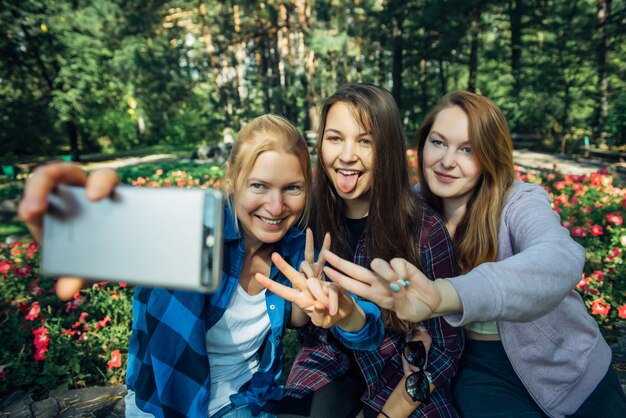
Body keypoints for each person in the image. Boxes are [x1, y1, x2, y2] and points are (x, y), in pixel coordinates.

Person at [18, 114, 384, 418]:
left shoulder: (296, 249)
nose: (275, 207)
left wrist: (340, 309)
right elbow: (130, 240)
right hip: (165, 409)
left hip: (245, 404)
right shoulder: (187, 234)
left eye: (292, 188)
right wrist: (82, 226)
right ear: (233, 177)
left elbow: (366, 331)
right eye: (259, 185)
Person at [323, 91, 626, 418]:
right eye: (438, 142)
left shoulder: (517, 203)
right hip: (476, 369)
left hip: (567, 367)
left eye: (467, 149)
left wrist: (443, 294)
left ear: (489, 156)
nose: (447, 160)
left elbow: (559, 258)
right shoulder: (410, 214)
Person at [257, 84, 463, 418]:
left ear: (388, 149)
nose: (347, 155)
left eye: (365, 141)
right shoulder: (306, 213)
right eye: (335, 138)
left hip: (398, 377)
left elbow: (444, 346)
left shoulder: (422, 229)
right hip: (327, 364)